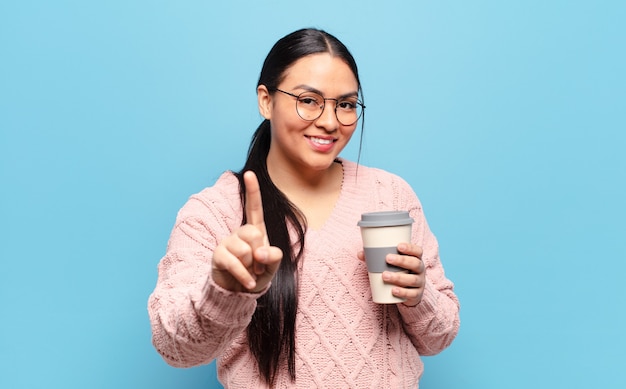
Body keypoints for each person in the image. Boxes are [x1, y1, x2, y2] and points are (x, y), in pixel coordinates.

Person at [148, 28, 460, 388]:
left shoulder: (390, 195)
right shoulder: (214, 212)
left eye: (345, 104)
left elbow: (439, 337)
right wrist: (223, 292)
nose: (330, 122)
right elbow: (175, 348)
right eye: (309, 100)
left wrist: (418, 297)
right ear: (266, 100)